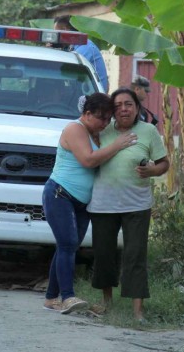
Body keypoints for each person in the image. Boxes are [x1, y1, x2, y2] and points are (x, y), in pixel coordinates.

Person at [42, 93, 137, 314]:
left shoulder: (96, 133)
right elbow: (88, 160)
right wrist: (118, 145)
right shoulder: (75, 129)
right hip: (60, 194)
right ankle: (67, 297)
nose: (104, 124)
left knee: (69, 246)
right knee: (67, 245)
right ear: (86, 114)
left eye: (107, 119)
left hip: (82, 200)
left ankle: (50, 298)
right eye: (100, 118)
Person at [87, 87, 169, 322]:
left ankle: (137, 311)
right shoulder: (103, 130)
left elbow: (164, 163)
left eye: (129, 104)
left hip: (137, 204)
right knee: (104, 254)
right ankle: (106, 302)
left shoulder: (148, 131)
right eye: (118, 105)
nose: (124, 109)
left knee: (135, 255)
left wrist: (152, 170)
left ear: (137, 108)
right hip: (103, 204)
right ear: (112, 111)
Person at [53, 15, 109, 92]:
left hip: (96, 96)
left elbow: (66, 70)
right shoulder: (71, 47)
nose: (55, 38)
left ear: (65, 30)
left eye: (57, 33)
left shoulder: (85, 46)